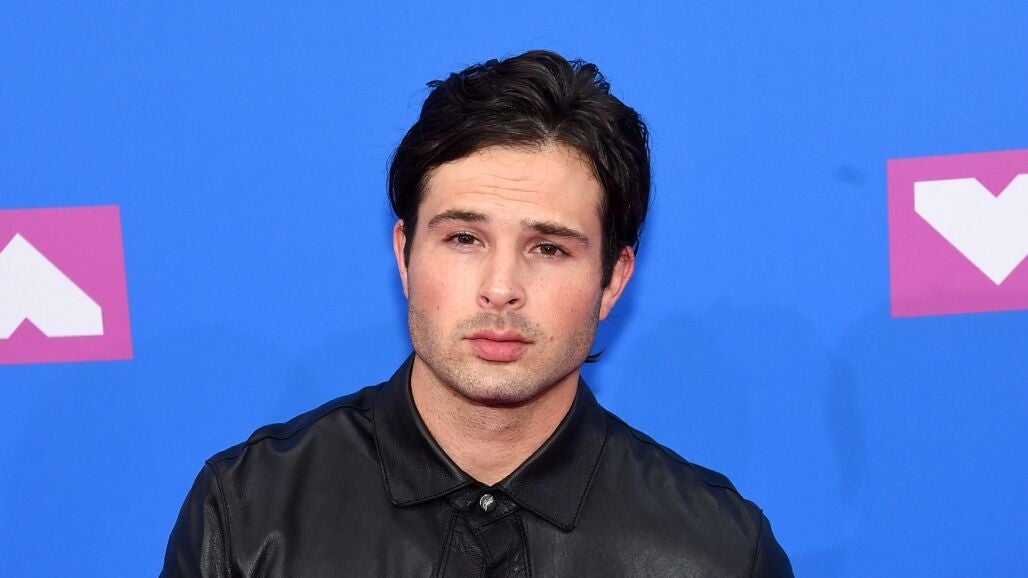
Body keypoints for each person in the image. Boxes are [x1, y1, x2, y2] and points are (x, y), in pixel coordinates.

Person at [161, 50, 793, 577]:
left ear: (613, 279)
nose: (500, 288)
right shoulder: (249, 513)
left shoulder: (717, 553)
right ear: (405, 254)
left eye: (549, 248)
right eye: (464, 239)